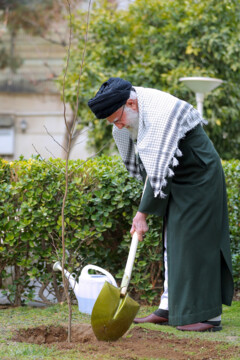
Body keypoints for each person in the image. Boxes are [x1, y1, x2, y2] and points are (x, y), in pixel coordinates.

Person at [88, 77, 234, 332]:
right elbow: (152, 168)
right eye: (113, 123)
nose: (118, 127)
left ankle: (208, 317)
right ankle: (168, 307)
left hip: (200, 178)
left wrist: (142, 213)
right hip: (178, 178)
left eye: (117, 119)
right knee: (172, 243)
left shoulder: (158, 112)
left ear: (131, 103)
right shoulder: (136, 114)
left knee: (195, 244)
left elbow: (158, 168)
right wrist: (142, 211)